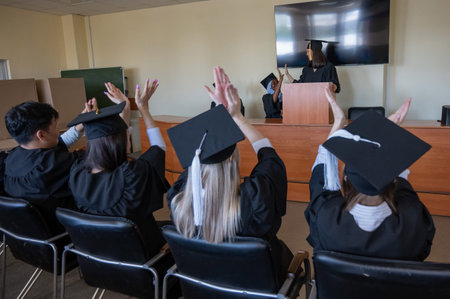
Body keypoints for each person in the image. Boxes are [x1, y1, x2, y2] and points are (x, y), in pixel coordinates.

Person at [167, 67, 293, 287]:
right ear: (233, 161)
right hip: (254, 285)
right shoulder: (255, 201)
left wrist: (219, 115)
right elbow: (269, 158)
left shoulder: (178, 201)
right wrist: (237, 116)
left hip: (202, 286)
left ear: (193, 164)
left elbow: (195, 164)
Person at [305, 88, 435, 261]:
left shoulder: (327, 218)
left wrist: (338, 123)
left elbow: (321, 175)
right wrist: (388, 133)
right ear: (393, 180)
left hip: (340, 289)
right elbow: (404, 188)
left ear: (345, 179)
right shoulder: (411, 220)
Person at [67, 80, 170, 259]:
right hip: (146, 262)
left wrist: (126, 109)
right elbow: (158, 149)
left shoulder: (77, 174)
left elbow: (110, 137)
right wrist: (143, 108)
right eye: (127, 136)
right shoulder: (132, 176)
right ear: (123, 144)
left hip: (99, 261)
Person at [4, 99, 96, 234]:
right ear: (40, 134)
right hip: (68, 234)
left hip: (27, 237)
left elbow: (55, 143)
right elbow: (99, 156)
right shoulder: (52, 164)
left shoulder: (12, 157)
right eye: (55, 127)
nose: (58, 132)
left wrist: (81, 123)